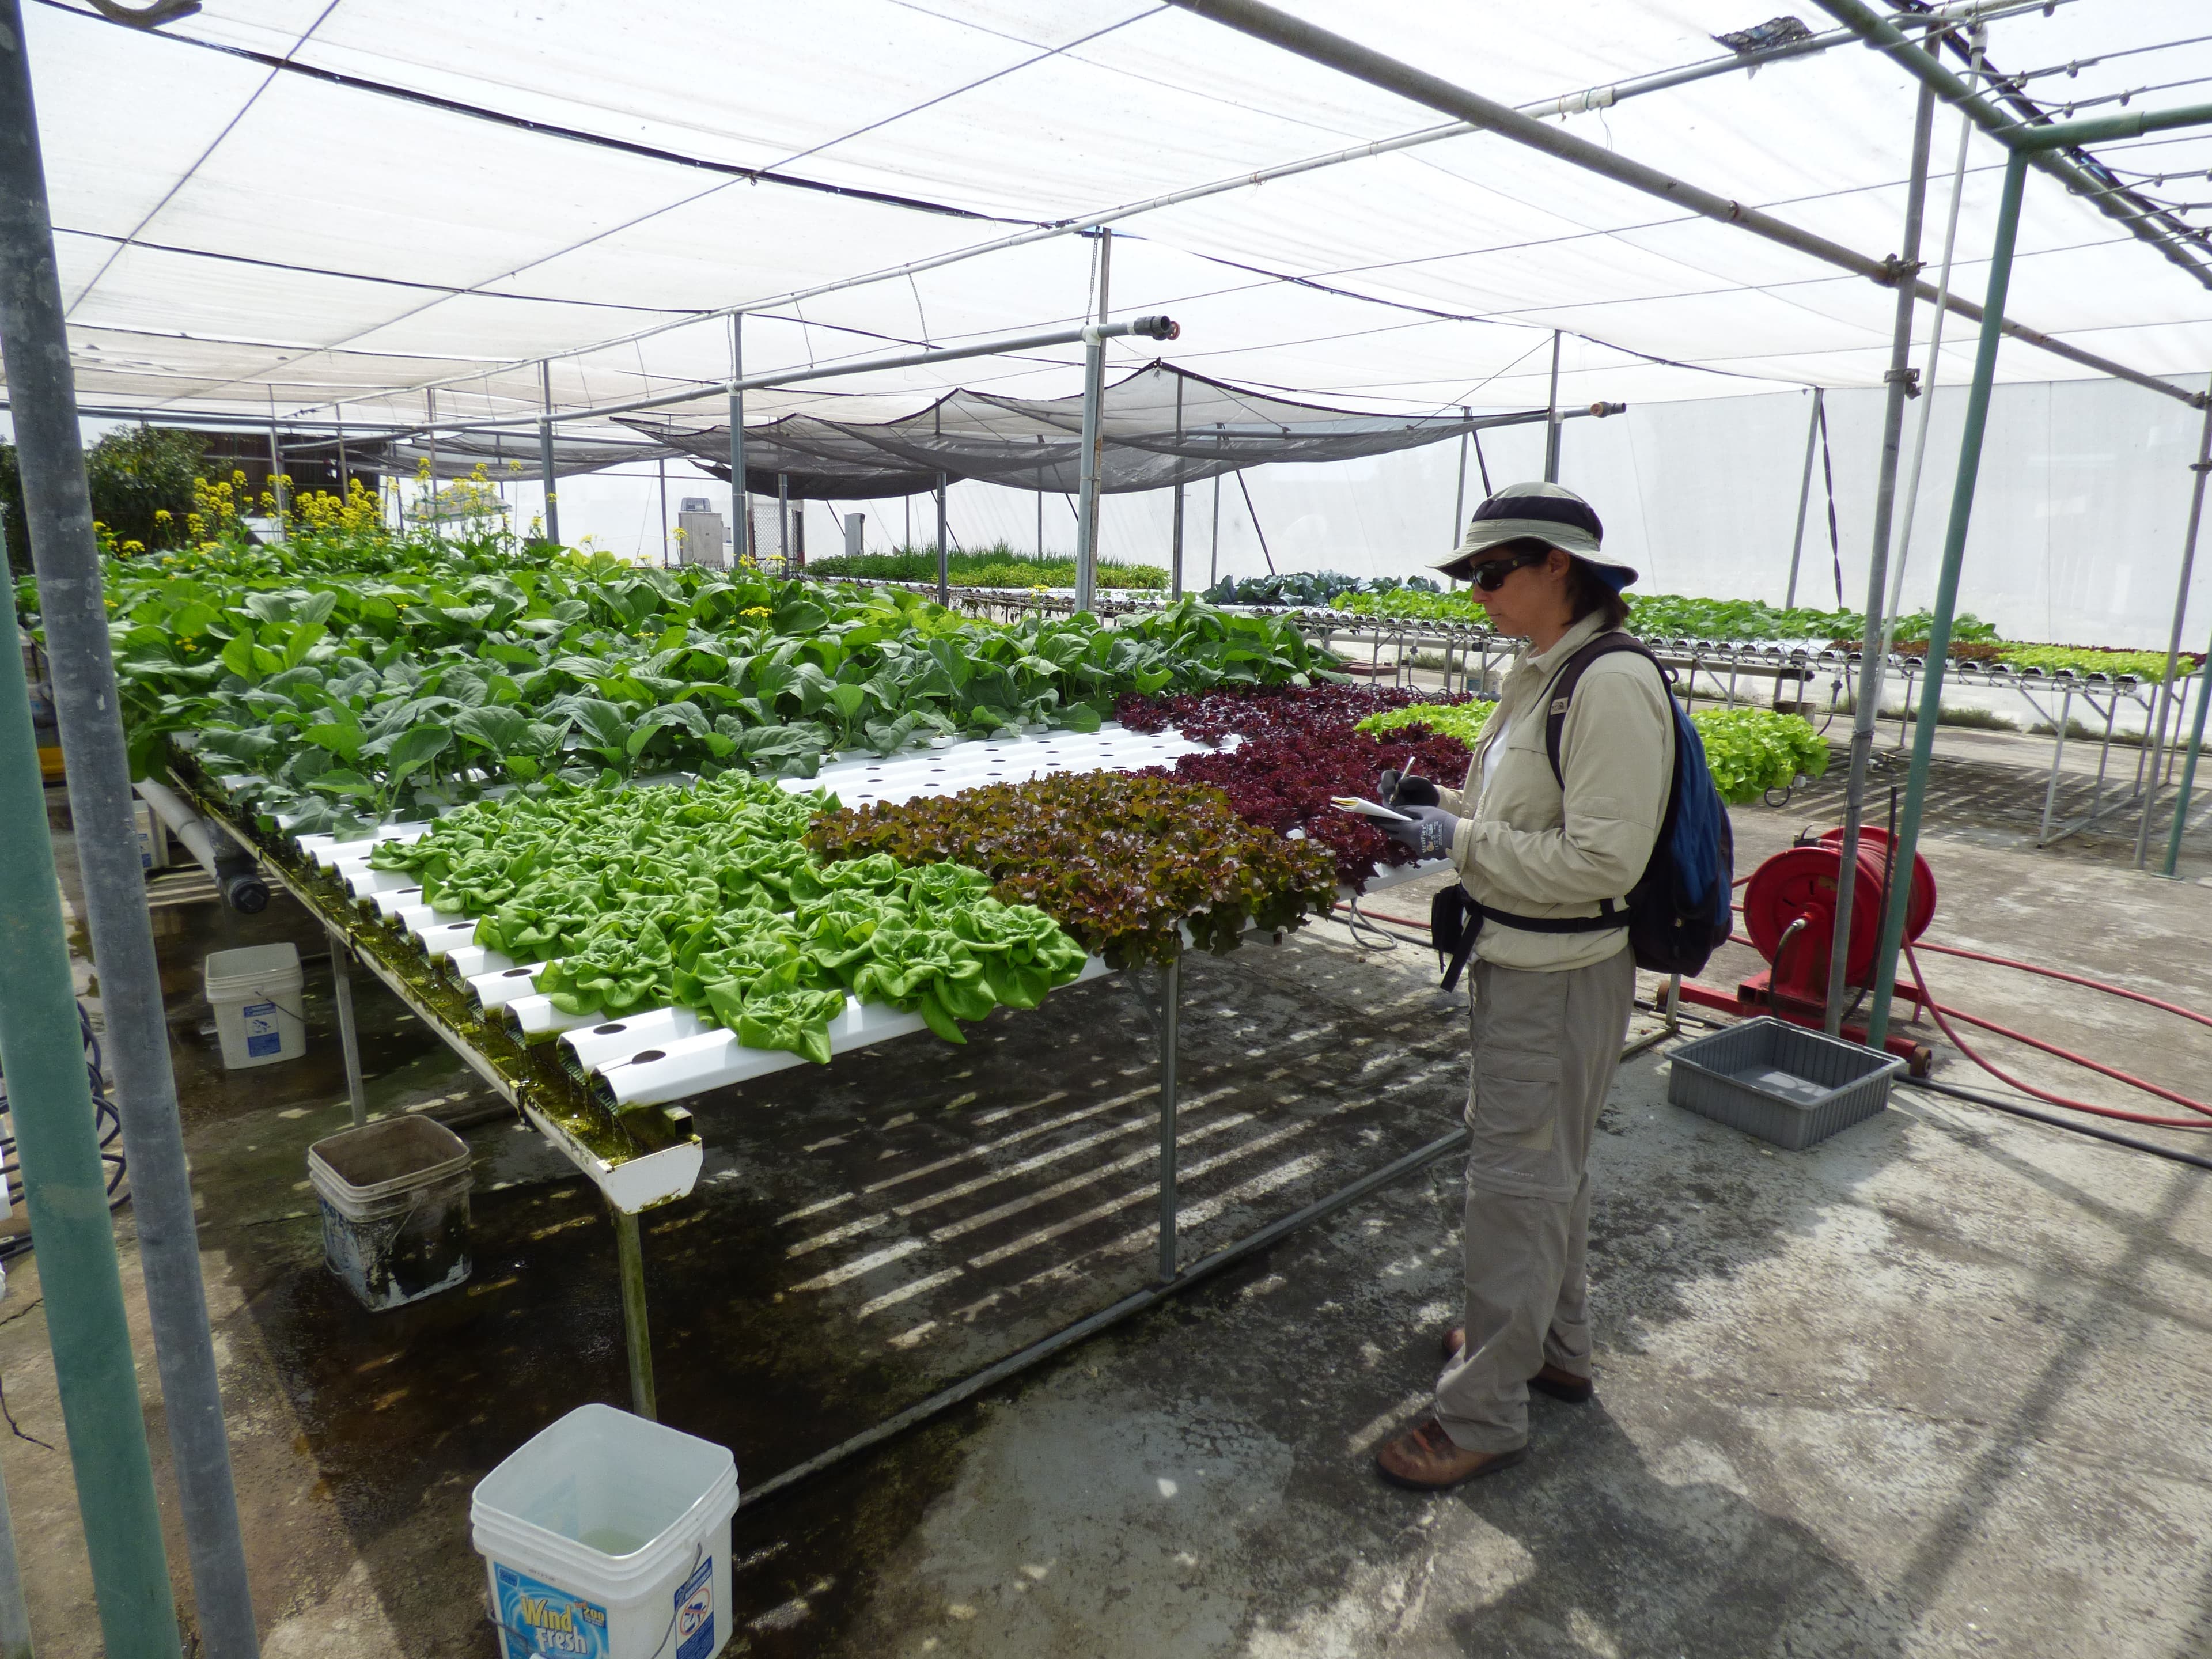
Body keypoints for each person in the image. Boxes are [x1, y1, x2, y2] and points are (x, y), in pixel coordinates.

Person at [1371, 482, 1674, 1491]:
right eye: (1471, 574)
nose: (1478, 591)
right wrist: (1444, 804)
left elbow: (1601, 861)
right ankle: (1553, 1348)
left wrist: (1457, 839)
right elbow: (1531, 815)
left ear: (1559, 566)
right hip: (1527, 962)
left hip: (1559, 976)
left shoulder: (1608, 684)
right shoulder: (1547, 671)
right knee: (1550, 1177)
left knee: (1514, 1190)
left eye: (1494, 572)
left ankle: (1485, 1414)